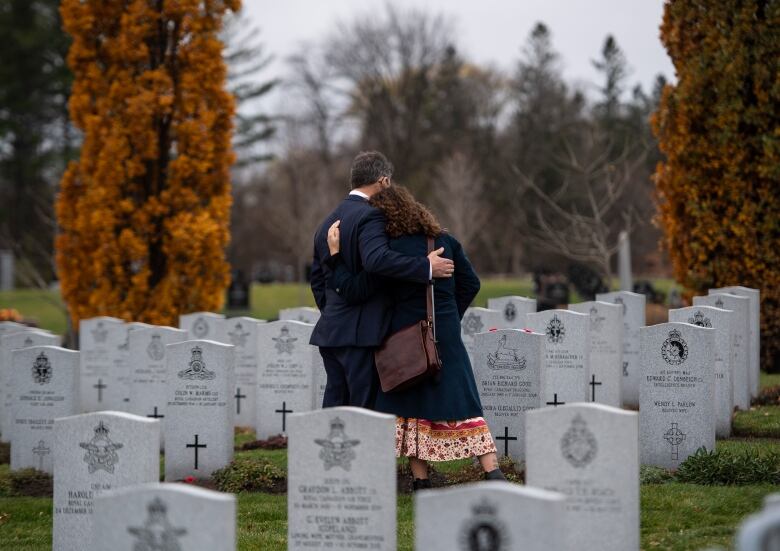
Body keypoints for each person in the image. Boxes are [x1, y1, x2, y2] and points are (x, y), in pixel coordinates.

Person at [324, 184, 504, 489]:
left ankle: (421, 480)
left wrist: (335, 257)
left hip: (404, 338)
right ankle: (492, 471)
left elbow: (354, 289)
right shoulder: (445, 240)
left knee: (409, 407)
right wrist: (447, 318)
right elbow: (471, 283)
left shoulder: (389, 254)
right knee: (463, 402)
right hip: (444, 334)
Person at [309, 151, 455, 409]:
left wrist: (335, 314)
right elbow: (377, 259)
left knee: (333, 407)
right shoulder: (371, 215)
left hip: (331, 332)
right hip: (363, 334)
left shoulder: (326, 223)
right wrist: (425, 266)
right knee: (362, 411)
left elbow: (318, 282)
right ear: (384, 181)